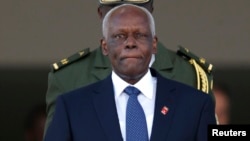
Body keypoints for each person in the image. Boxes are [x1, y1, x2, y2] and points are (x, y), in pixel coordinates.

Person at [44, 4, 216, 141]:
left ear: (154, 43)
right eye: (119, 36)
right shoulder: (72, 106)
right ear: (104, 46)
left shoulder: (195, 104)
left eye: (140, 35)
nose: (130, 43)